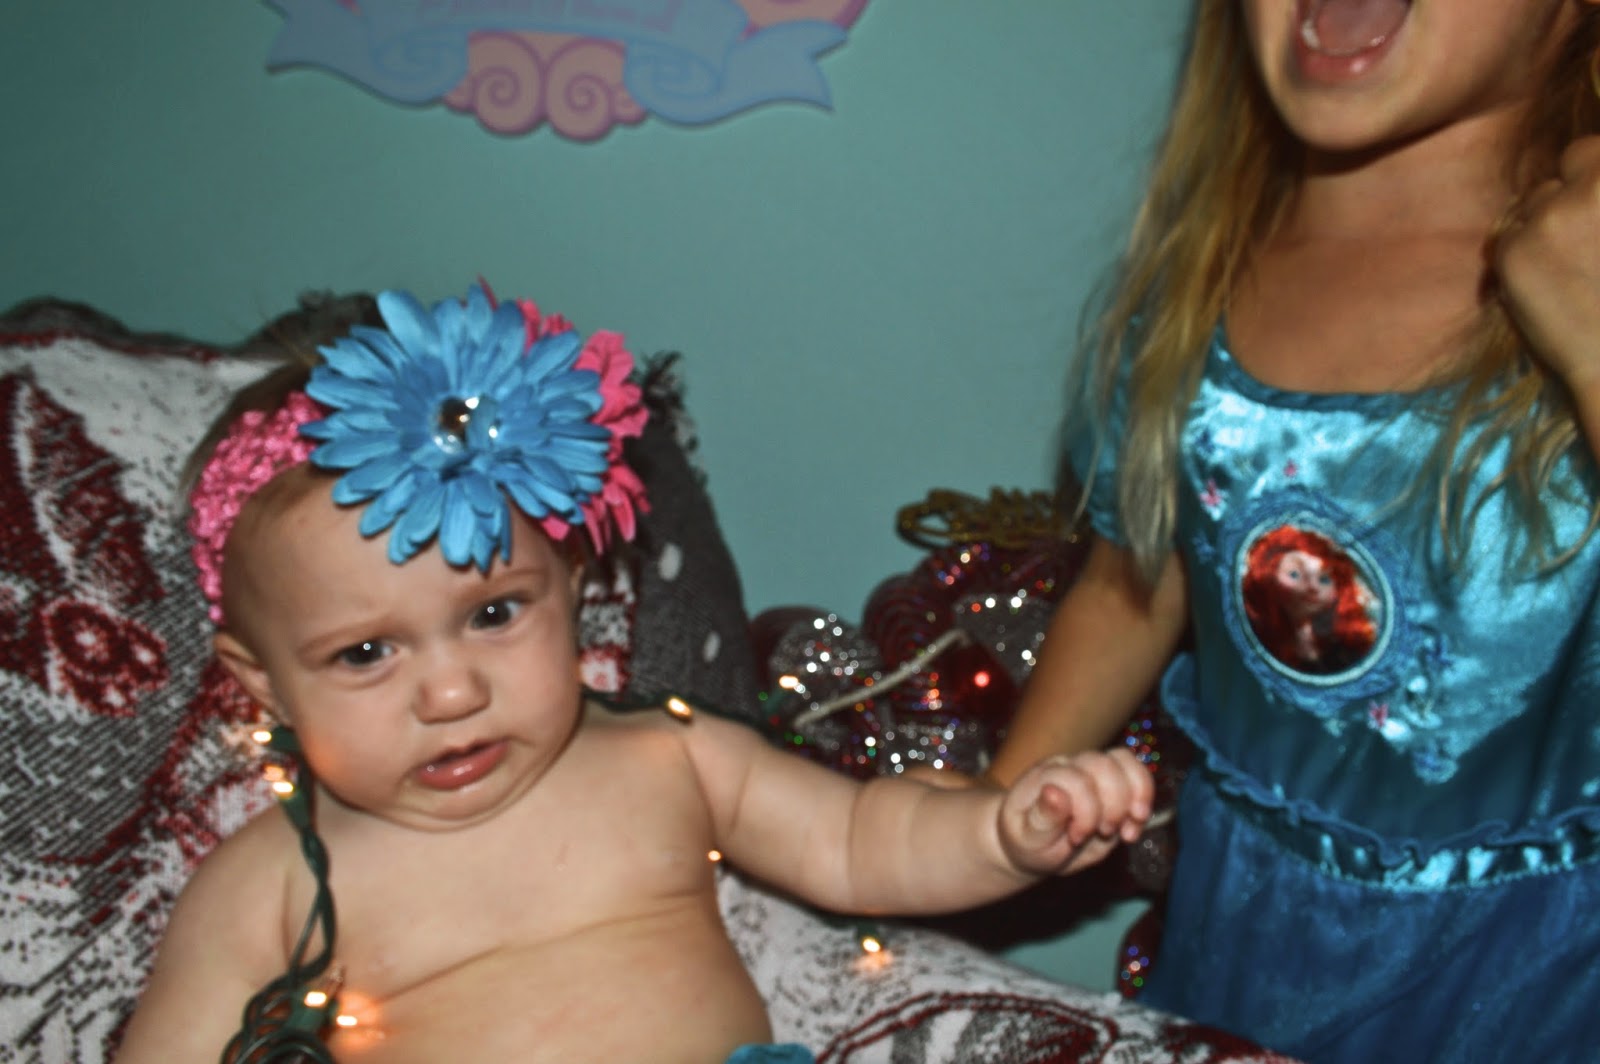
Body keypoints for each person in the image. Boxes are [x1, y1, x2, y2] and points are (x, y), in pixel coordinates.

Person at [115, 283, 1154, 1064]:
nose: (451, 693)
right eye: (365, 652)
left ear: (571, 590)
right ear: (263, 683)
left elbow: (860, 843)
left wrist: (1001, 833)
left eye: (492, 613)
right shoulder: (273, 884)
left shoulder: (668, 756)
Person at [987, 1, 1600, 1060]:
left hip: (1547, 969)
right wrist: (995, 815)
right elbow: (1132, 581)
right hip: (1247, 928)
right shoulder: (1201, 276)